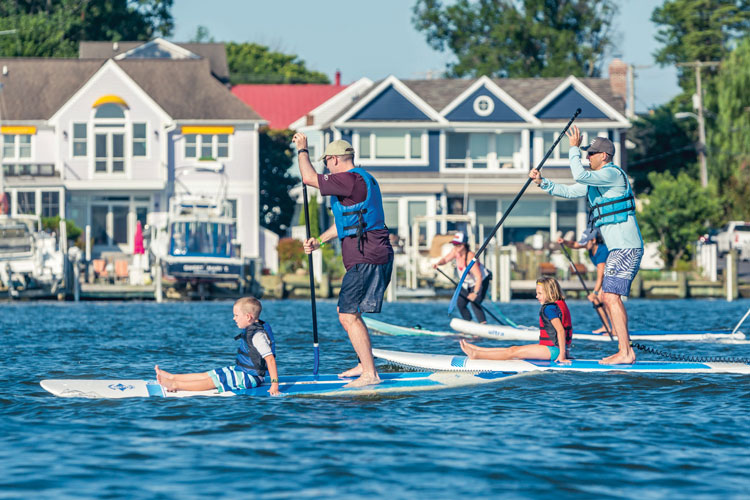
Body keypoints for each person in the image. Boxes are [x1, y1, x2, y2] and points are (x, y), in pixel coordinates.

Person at [529, 126, 643, 364]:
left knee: (610, 297)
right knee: (610, 297)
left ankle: (626, 352)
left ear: (604, 156)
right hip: (617, 249)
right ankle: (625, 351)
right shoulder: (595, 181)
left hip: (627, 247)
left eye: (591, 154)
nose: (587, 157)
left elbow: (579, 175)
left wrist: (572, 149)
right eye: (586, 153)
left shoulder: (612, 174)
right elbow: (570, 191)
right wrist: (542, 182)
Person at [291, 134, 394, 388]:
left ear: (334, 159)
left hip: (367, 256)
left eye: (327, 162)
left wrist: (302, 150)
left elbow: (308, 178)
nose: (327, 167)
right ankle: (364, 363)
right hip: (369, 255)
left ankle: (370, 373)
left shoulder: (349, 179)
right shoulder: (360, 180)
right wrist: (320, 241)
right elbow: (346, 223)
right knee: (348, 313)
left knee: (347, 315)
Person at [155, 297, 281, 396]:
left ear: (248, 317)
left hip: (251, 377)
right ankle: (172, 377)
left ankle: (175, 384)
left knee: (212, 382)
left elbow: (270, 359)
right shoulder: (251, 330)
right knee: (208, 375)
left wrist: (274, 384)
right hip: (243, 370)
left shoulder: (257, 336)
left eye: (236, 315)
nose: (233, 318)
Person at [459, 277, 571, 364]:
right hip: (554, 349)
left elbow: (560, 331)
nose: (537, 296)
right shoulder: (558, 305)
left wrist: (562, 355)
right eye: (537, 293)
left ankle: (477, 355)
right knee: (513, 349)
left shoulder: (550, 308)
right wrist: (565, 351)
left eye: (540, 293)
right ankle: (479, 350)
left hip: (553, 351)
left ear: (551, 293)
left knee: (513, 352)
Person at [558, 227, 611, 334]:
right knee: (596, 300)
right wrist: (564, 241)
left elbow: (601, 275)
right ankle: (606, 327)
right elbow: (574, 245)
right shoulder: (590, 246)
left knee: (603, 299)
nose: (583, 245)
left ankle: (614, 329)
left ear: (594, 240)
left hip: (612, 275)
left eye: (585, 243)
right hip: (606, 276)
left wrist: (595, 292)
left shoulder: (602, 251)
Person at [433, 231, 492, 323]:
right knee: (460, 303)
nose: (455, 248)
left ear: (464, 245)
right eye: (454, 245)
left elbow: (479, 276)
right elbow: (445, 259)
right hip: (467, 283)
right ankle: (470, 323)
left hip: (480, 282)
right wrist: (438, 264)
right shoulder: (455, 252)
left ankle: (483, 324)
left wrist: (475, 293)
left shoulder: (469, 258)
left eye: (458, 245)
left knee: (474, 302)